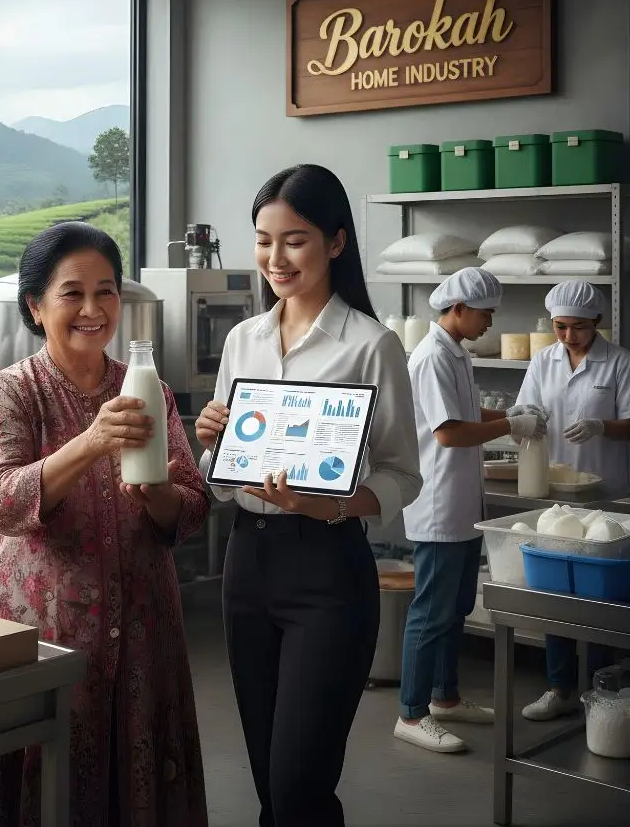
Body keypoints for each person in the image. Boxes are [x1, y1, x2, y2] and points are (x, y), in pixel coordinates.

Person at [0, 221, 210, 827]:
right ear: (36, 307)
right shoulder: (12, 392)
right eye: (72, 293)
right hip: (44, 631)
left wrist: (157, 496)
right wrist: (90, 442)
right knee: (47, 784)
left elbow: (194, 504)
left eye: (106, 291)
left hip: (144, 631)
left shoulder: (148, 390)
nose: (93, 309)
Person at [195, 164, 421, 827]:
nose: (275, 257)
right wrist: (213, 439)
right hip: (248, 565)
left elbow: (404, 473)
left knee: (300, 786)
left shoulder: (371, 346)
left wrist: (337, 504)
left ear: (336, 243)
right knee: (270, 782)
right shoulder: (244, 339)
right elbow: (224, 470)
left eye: (294, 240)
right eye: (264, 240)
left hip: (327, 571)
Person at [394, 268, 547, 753]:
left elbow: (466, 413)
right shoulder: (433, 356)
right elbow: (448, 432)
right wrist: (511, 426)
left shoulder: (456, 352)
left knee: (457, 606)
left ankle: (445, 697)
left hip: (461, 502)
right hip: (439, 503)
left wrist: (509, 418)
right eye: (486, 313)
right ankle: (411, 714)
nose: (490, 322)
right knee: (431, 612)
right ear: (458, 308)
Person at [509, 280, 630, 721]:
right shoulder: (544, 360)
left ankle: (601, 691)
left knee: (601, 597)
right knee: (556, 591)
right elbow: (525, 411)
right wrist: (530, 421)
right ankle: (560, 687)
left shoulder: (618, 362)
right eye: (560, 327)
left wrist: (602, 425)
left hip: (608, 495)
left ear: (597, 322)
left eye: (578, 327)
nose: (568, 337)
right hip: (557, 495)